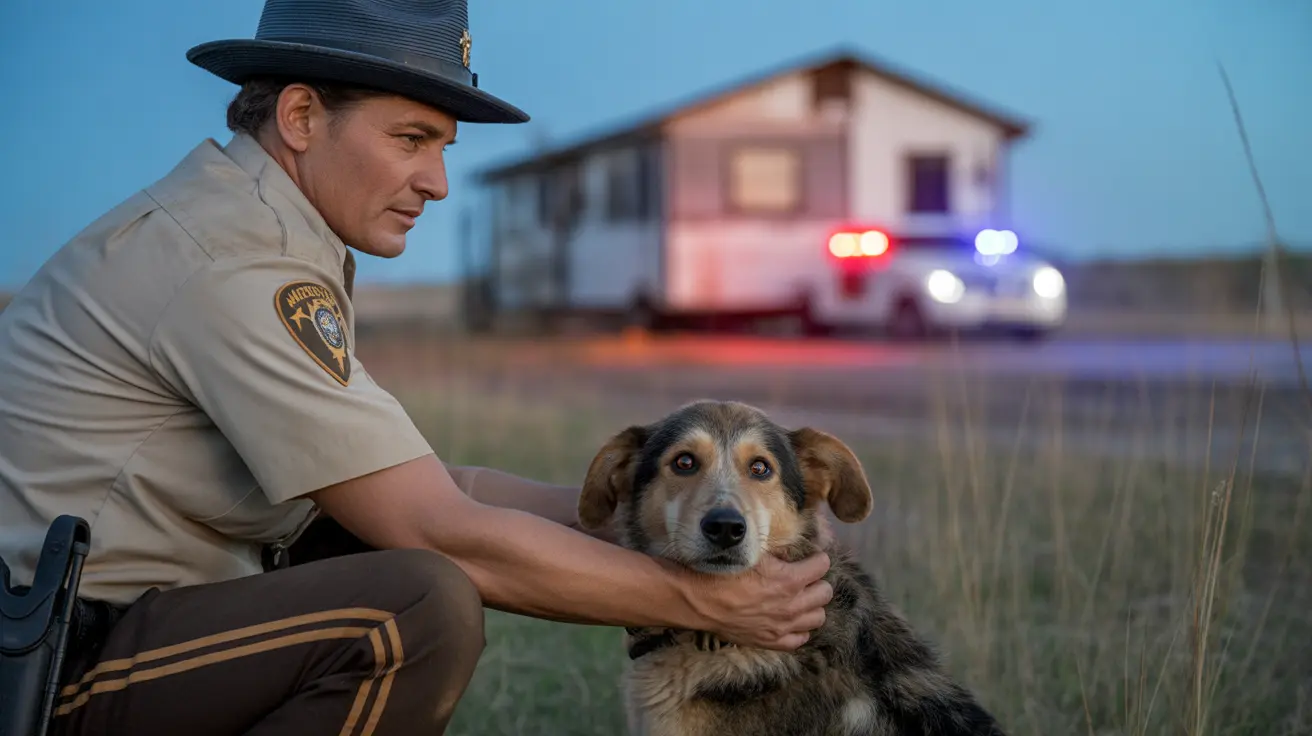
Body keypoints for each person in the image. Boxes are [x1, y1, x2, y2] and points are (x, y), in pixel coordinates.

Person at [0, 1, 836, 734]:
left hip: (101, 624)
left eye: (442, 147)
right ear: (299, 116)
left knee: (361, 534)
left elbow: (441, 487)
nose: (437, 182)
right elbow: (438, 530)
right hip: (46, 664)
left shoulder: (255, 231)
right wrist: (705, 601)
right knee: (414, 609)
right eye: (411, 139)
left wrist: (658, 516)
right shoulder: (230, 263)